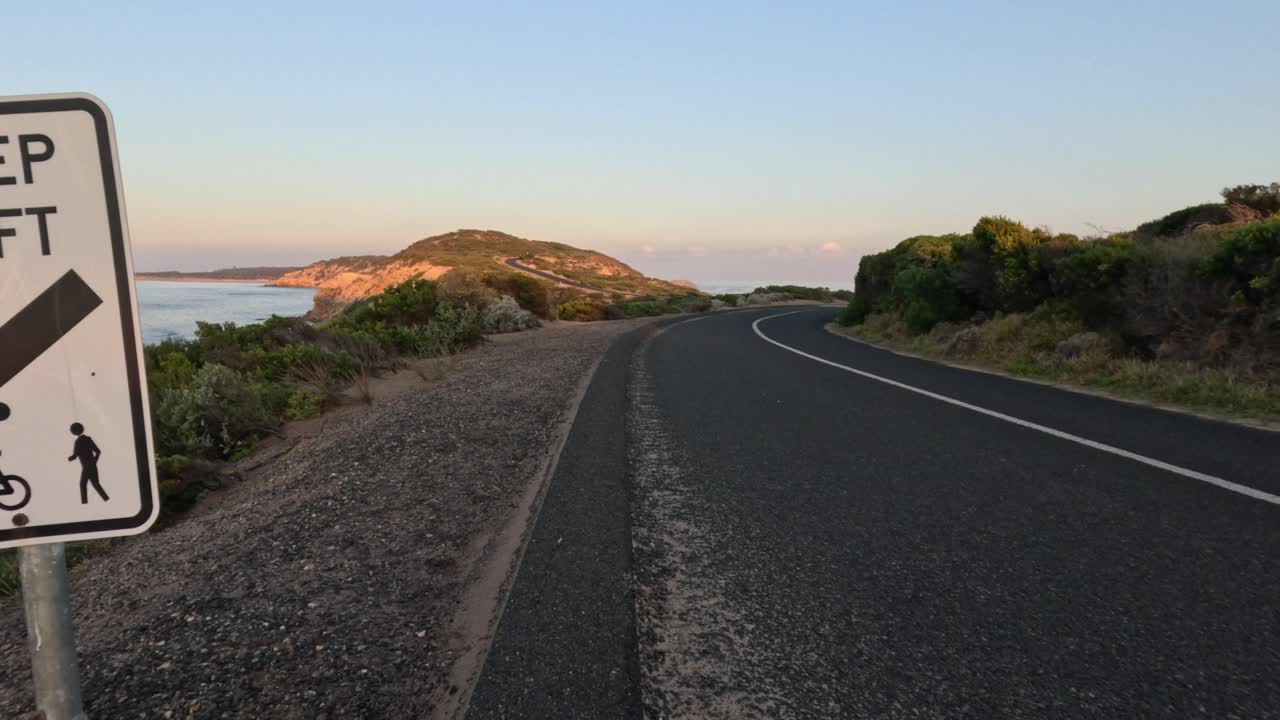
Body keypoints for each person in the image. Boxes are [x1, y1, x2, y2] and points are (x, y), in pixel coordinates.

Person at [68, 423, 108, 504]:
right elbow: (98, 452)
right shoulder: (88, 439)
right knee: (96, 484)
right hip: (92, 466)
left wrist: (69, 458)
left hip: (86, 467)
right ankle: (106, 499)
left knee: (83, 484)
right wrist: (94, 462)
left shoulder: (78, 441)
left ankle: (84, 503)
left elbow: (75, 456)